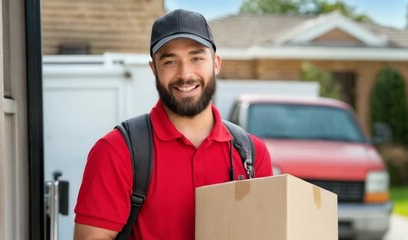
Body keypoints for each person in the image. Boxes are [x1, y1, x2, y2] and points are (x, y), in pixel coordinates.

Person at [73, 9, 273, 240]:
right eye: (170, 61)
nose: (184, 74)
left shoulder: (252, 154)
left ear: (215, 64)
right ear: (154, 69)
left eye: (196, 58)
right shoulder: (117, 151)